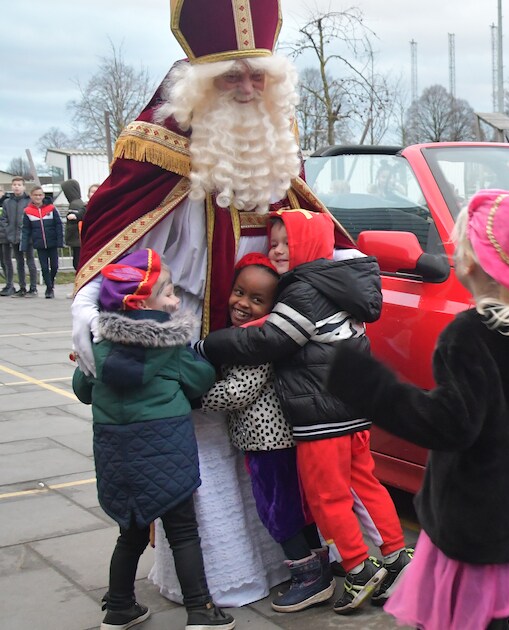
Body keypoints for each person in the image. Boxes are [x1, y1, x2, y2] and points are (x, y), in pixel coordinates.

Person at [71, 0, 358, 607]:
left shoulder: (276, 137)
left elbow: (308, 228)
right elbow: (115, 237)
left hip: (278, 339)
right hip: (195, 337)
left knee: (281, 460)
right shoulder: (156, 144)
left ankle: (308, 560)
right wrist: (93, 311)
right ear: (200, 82)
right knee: (209, 464)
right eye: (232, 75)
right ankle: (222, 580)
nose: (249, 88)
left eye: (260, 74)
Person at [324, 190, 509, 630]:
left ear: (472, 262)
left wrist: (368, 384)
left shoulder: (468, 335)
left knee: (471, 616)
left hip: (474, 523)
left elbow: (448, 424)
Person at [194, 209, 410, 614]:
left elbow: (271, 341)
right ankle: (397, 556)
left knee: (327, 495)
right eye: (272, 242)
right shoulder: (339, 284)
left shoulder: (303, 289)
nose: (274, 250)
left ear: (307, 247)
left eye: (284, 243)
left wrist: (210, 345)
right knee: (364, 484)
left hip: (321, 414)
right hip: (354, 407)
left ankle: (358, 569)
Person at [71, 248, 235, 630]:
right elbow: (201, 380)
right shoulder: (170, 346)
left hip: (116, 453)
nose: (176, 300)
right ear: (141, 301)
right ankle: (201, 610)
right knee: (182, 532)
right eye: (168, 293)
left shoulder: (96, 345)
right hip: (166, 448)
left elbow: (82, 387)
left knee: (128, 533)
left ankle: (119, 608)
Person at [198, 253, 334, 612]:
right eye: (239, 292)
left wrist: (195, 397)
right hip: (280, 439)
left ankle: (308, 576)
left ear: (273, 308)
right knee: (296, 507)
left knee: (278, 508)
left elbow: (237, 392)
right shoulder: (256, 336)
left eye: (256, 300)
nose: (242, 304)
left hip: (267, 441)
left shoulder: (255, 343)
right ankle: (318, 566)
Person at [21, 185, 64, 298]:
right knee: (44, 267)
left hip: (52, 241)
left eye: (40, 195)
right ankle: (49, 288)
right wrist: (23, 245)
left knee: (54, 266)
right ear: (31, 196)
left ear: (43, 196)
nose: (38, 197)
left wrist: (60, 240)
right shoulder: (28, 211)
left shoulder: (51, 208)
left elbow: (58, 225)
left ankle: (51, 282)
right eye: (35, 195)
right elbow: (26, 229)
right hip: (39, 243)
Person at [2, 176, 35, 296]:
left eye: (19, 185)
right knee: (19, 262)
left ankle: (33, 287)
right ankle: (22, 287)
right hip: (13, 236)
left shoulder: (29, 201)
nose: (16, 187)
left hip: (27, 237)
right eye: (14, 184)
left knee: (30, 261)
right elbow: (4, 219)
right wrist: (8, 230)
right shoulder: (7, 202)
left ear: (23, 187)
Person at [62, 179, 87, 272]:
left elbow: (72, 224)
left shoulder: (74, 205)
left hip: (76, 239)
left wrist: (68, 238)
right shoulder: (80, 203)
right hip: (78, 239)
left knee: (77, 262)